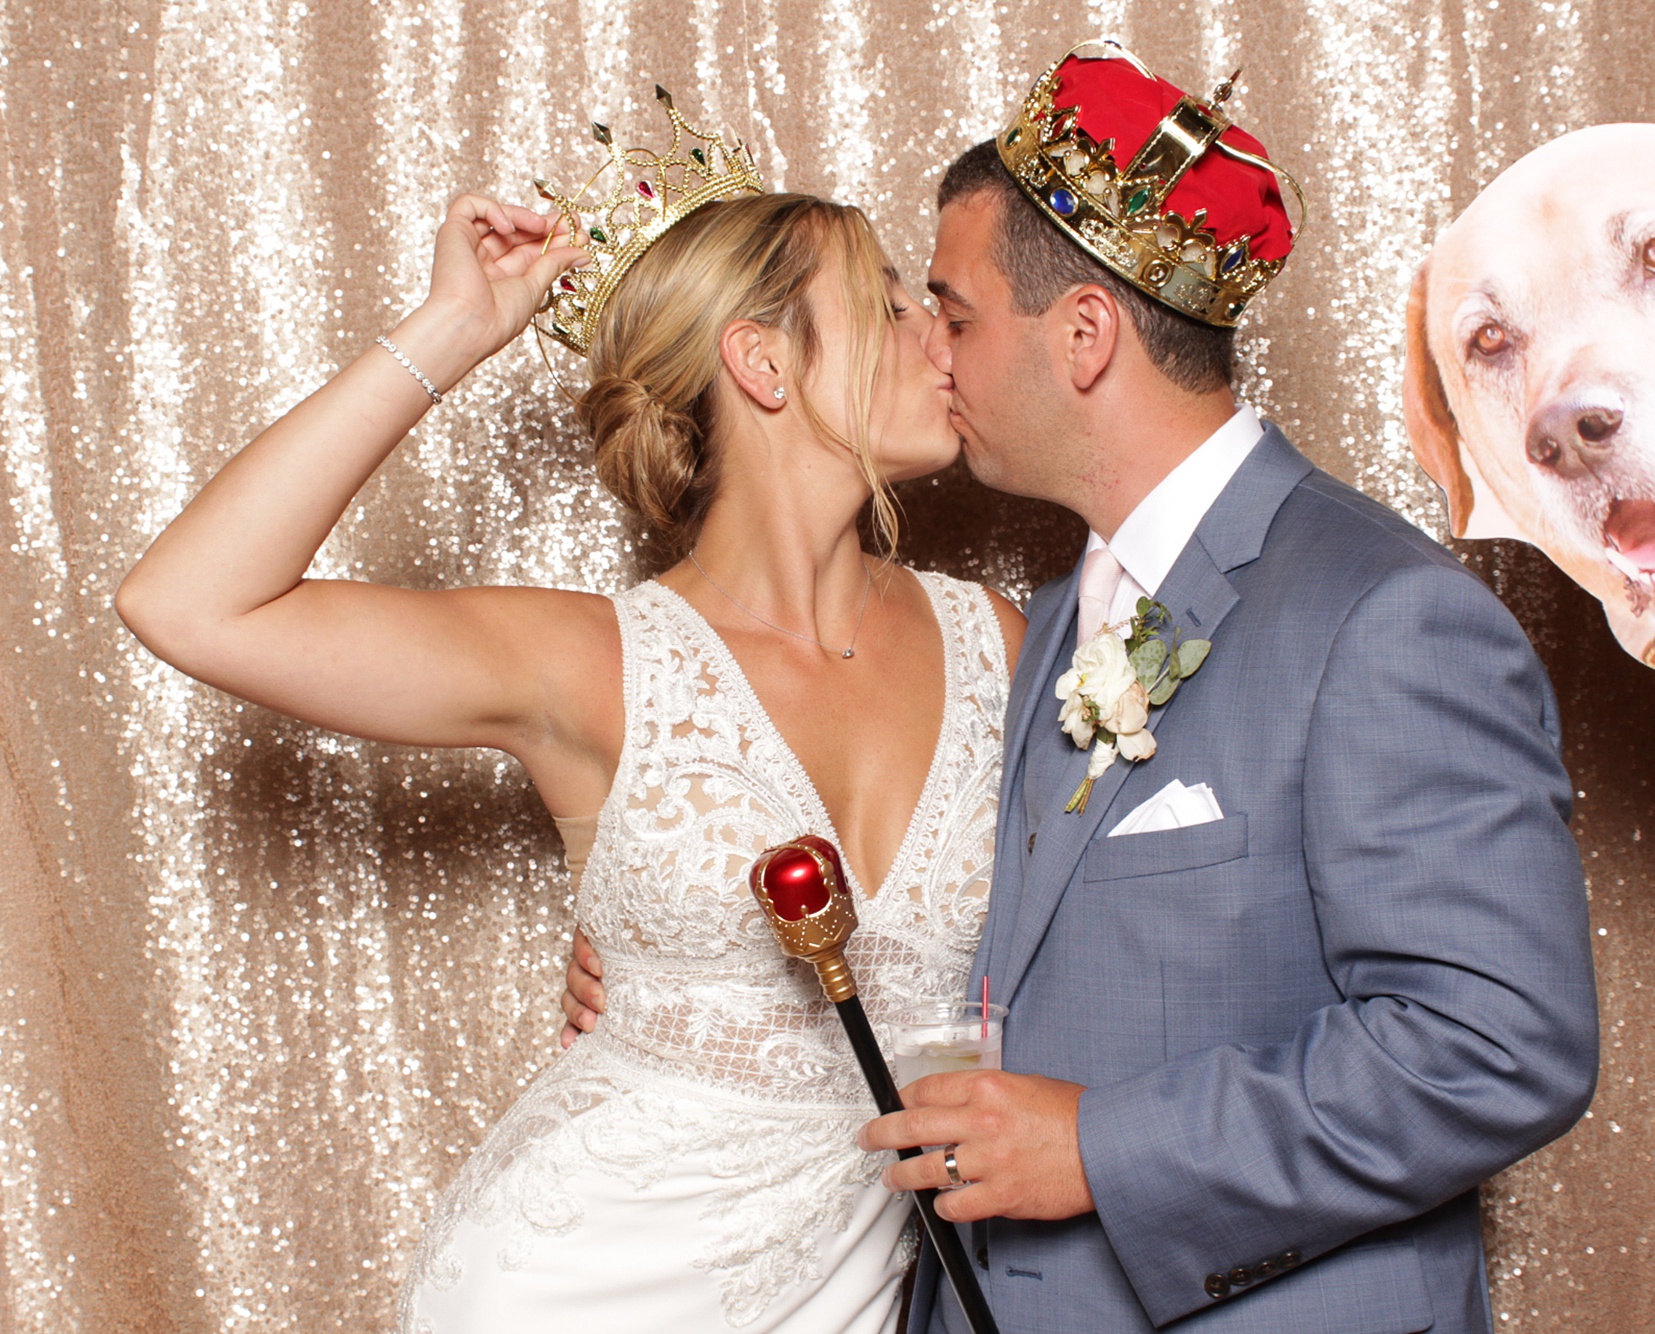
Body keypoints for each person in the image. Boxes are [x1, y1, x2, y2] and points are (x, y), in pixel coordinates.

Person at [566, 40, 1600, 1334]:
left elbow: (1502, 1042)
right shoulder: (1037, 628)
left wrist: (1104, 1148)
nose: (932, 357)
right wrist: (676, 950)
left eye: (951, 312)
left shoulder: (1383, 615)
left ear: (1087, 334)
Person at [114, 98, 1026, 1334]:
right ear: (762, 363)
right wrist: (453, 328)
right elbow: (188, 603)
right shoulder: (593, 661)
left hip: (855, 1282)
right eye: (888, 303)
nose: (941, 337)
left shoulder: (1003, 642)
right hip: (576, 1276)